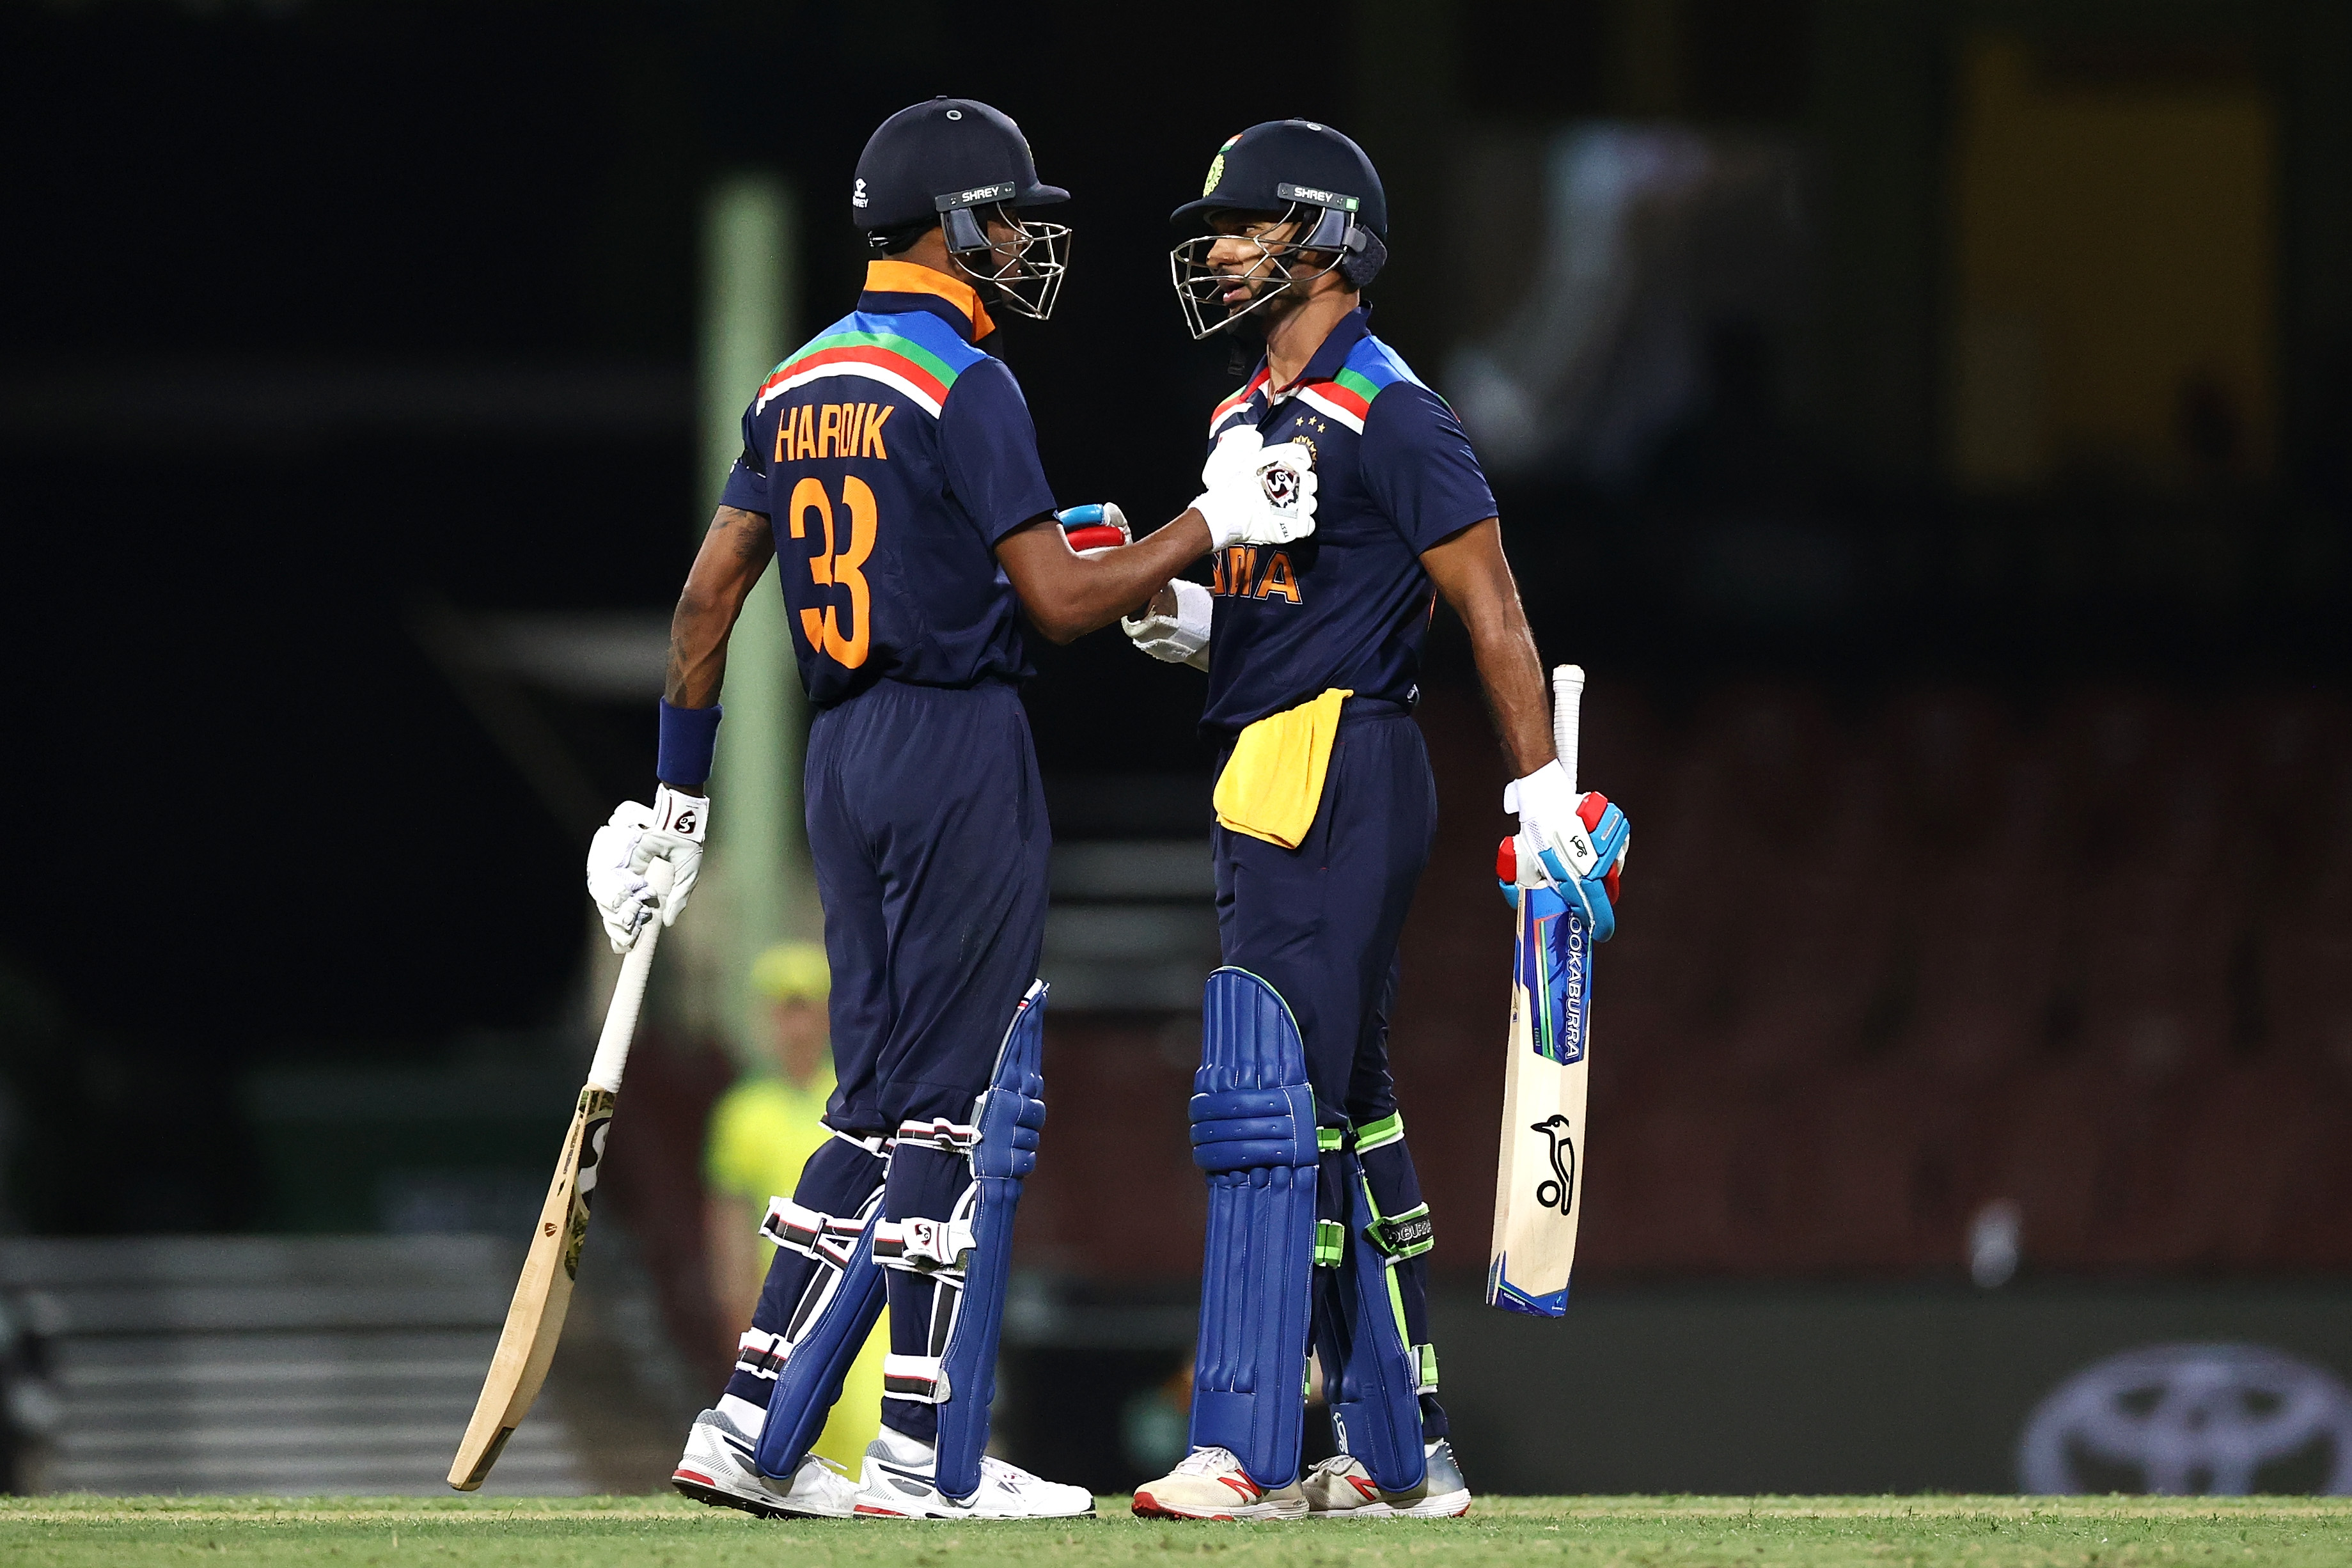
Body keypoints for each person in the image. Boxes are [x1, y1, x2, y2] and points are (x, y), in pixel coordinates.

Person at [581, 97, 1324, 1522]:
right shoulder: (964, 379)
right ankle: (921, 1454)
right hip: (954, 739)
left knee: (864, 1100)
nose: (1025, 239)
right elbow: (1051, 603)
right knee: (954, 1103)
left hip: (836, 755)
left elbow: (704, 602)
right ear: (953, 218)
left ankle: (748, 1418)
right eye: (1009, 212)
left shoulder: (793, 382)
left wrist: (678, 803)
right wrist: (1204, 524)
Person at [1119, 120, 1633, 1521]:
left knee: (1265, 1093)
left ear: (1325, 238)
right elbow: (1276, 607)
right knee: (1341, 1109)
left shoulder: (1393, 408)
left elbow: (1495, 611)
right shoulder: (1242, 417)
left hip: (1350, 758)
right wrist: (1178, 615)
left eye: (1245, 226)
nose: (1218, 250)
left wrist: (1539, 803)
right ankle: (1405, 1454)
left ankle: (1244, 1446)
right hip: (1260, 759)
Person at [702, 942, 887, 1471]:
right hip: (783, 1307)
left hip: (870, 1303)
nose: (797, 1026)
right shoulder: (741, 1113)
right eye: (786, 1010)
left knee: (869, 1433)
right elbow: (728, 1222)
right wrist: (735, 1304)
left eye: (807, 1008)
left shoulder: (858, 1102)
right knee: (792, 1452)